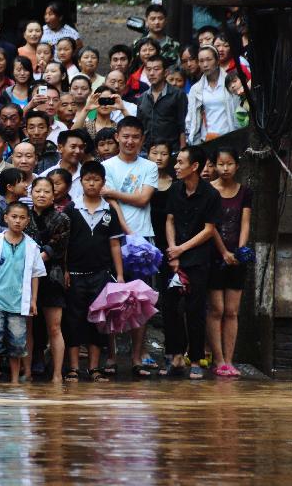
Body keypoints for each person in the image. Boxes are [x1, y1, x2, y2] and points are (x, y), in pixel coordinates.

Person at [100, 116, 160, 377]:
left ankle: (137, 355)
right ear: (117, 136)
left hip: (144, 238)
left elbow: (144, 198)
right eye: (125, 135)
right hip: (114, 237)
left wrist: (115, 194)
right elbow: (109, 202)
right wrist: (126, 228)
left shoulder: (149, 166)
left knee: (141, 300)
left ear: (142, 139)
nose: (130, 141)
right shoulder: (107, 166)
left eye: (135, 136)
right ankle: (111, 355)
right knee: (112, 298)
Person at [62, 161, 125, 382]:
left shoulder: (109, 211)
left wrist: (120, 275)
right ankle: (72, 368)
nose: (91, 183)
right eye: (87, 179)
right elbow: (65, 245)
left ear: (103, 183)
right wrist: (65, 270)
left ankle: (94, 368)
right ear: (81, 182)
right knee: (73, 320)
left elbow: (115, 244)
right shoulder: (70, 210)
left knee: (98, 321)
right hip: (76, 275)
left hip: (101, 274)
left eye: (96, 179)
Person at [164, 146, 221, 380]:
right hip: (173, 257)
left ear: (194, 166)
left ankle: (195, 358)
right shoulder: (175, 189)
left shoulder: (210, 194)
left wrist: (182, 249)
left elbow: (209, 230)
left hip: (198, 258)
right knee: (169, 306)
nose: (175, 166)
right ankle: (175, 355)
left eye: (180, 162)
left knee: (195, 309)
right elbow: (169, 220)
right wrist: (173, 252)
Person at [0, 202, 46, 384]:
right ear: (6, 218)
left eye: (22, 218)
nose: (17, 221)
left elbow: (36, 275)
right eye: (14, 217)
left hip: (18, 302)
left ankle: (15, 381)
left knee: (17, 343)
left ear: (27, 221)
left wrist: (34, 300)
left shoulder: (31, 246)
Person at [207, 148, 251, 377]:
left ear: (237, 165)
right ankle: (218, 359)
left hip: (237, 258)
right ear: (214, 165)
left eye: (229, 164)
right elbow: (210, 226)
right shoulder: (210, 191)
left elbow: (245, 223)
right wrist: (224, 252)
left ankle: (229, 361)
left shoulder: (244, 192)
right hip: (214, 257)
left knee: (232, 311)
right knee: (217, 309)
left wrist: (240, 250)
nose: (225, 168)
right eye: (221, 164)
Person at [26, 177, 69, 383]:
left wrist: (37, 260)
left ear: (54, 195)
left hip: (52, 276)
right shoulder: (23, 216)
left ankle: (57, 374)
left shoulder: (62, 219)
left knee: (54, 327)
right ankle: (25, 372)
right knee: (27, 327)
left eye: (46, 192)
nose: (41, 195)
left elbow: (57, 248)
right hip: (25, 277)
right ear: (31, 193)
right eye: (38, 191)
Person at [186, 45, 243, 144]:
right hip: (207, 139)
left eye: (209, 60)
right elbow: (191, 119)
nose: (205, 64)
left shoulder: (231, 83)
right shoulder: (196, 89)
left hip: (229, 136)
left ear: (217, 61)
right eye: (201, 61)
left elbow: (239, 112)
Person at [137, 55, 188, 152]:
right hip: (146, 151)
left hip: (171, 150)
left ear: (166, 72)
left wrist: (182, 150)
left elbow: (182, 125)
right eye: (148, 69)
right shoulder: (142, 98)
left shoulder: (178, 95)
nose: (152, 73)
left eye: (156, 69)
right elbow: (140, 128)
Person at [40, 129, 87, 202]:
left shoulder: (88, 176)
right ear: (60, 148)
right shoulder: (45, 176)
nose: (78, 151)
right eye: (73, 147)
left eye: (81, 147)